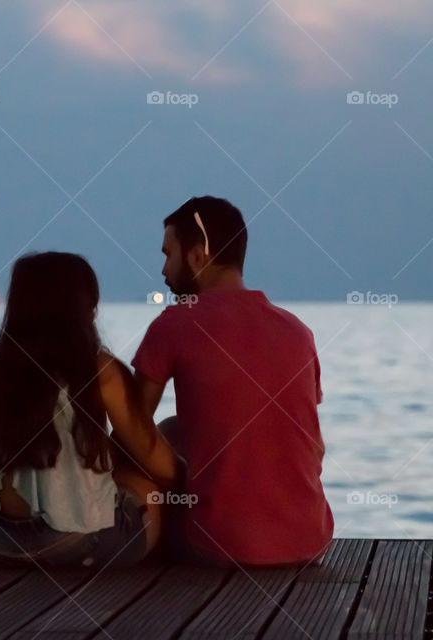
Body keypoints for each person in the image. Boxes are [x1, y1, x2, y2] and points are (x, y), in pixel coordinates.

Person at [0, 252, 180, 568]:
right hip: (73, 545)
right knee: (148, 490)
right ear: (87, 309)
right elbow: (162, 467)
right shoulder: (101, 372)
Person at [132, 196, 333, 566]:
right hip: (309, 540)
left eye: (168, 254)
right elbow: (315, 447)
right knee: (176, 428)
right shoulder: (297, 331)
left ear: (196, 256)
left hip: (219, 546)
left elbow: (131, 429)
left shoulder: (175, 323)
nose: (163, 269)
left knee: (141, 465)